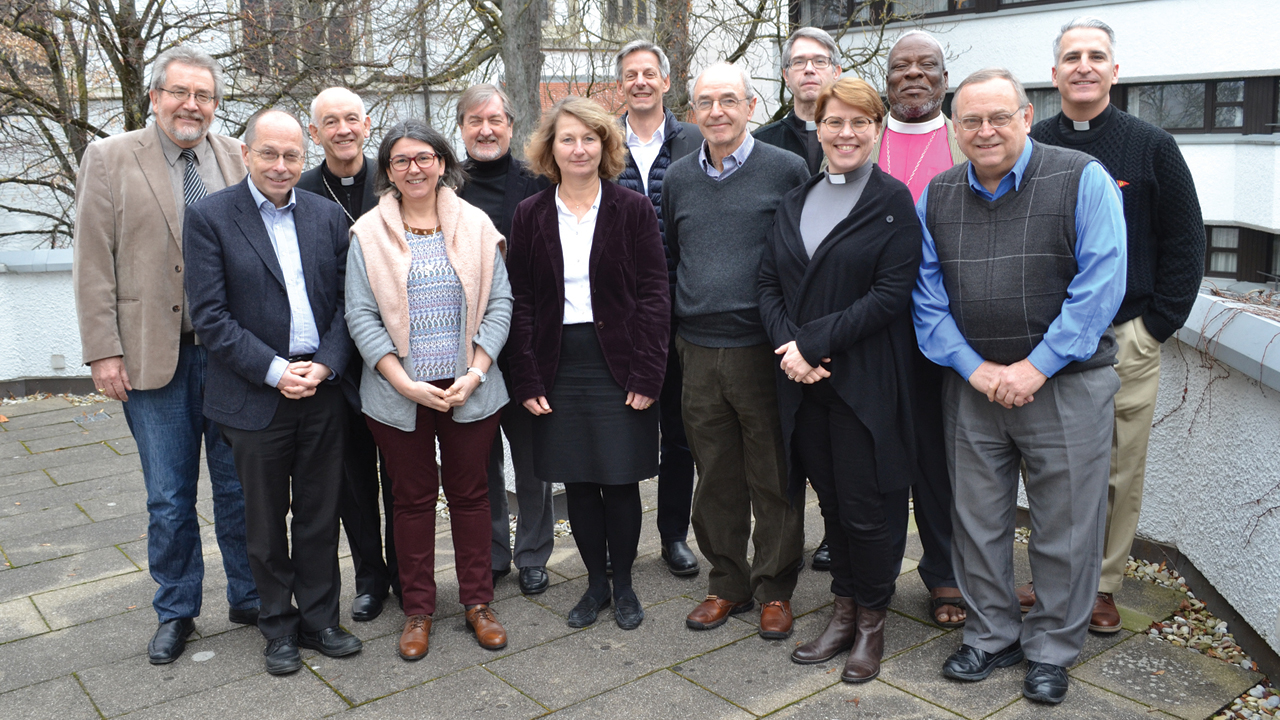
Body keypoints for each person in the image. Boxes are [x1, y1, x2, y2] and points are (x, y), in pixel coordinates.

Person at [913, 68, 1126, 705]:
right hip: (973, 388)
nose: (985, 131)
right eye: (970, 120)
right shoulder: (937, 194)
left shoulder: (1080, 177)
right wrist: (976, 369)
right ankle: (992, 632)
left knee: (1064, 527)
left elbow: (1101, 285)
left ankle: (1052, 648)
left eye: (998, 117)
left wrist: (1036, 366)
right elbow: (927, 298)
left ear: (1026, 117)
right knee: (977, 522)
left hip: (1065, 386)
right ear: (954, 128)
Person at [72, 45, 258, 665]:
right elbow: (93, 262)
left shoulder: (237, 155)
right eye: (180, 92)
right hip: (155, 358)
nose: (192, 105)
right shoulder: (109, 158)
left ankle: (249, 595)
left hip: (230, 356)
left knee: (238, 489)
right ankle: (177, 609)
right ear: (155, 97)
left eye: (204, 95)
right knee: (170, 497)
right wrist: (104, 352)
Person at [1021, 16, 1206, 632]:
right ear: (1053, 74)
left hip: (1125, 335)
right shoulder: (1031, 142)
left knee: (1118, 468)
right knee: (1049, 464)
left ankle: (1101, 585)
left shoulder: (1151, 146)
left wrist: (1155, 326)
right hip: (1043, 340)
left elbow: (1185, 243)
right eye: (1071, 56)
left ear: (1114, 70)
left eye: (1095, 55)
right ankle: (1051, 578)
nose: (1083, 66)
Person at [759, 77, 925, 683]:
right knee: (831, 506)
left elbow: (889, 295)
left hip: (863, 384)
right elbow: (768, 284)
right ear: (818, 128)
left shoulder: (893, 202)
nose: (845, 133)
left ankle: (872, 625)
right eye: (834, 122)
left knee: (866, 511)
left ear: (876, 130)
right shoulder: (795, 200)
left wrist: (812, 344)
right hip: (803, 386)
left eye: (859, 122)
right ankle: (843, 611)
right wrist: (789, 348)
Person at [184, 109, 361, 675]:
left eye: (290, 156)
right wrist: (275, 370)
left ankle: (319, 621)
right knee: (262, 523)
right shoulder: (210, 217)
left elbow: (345, 305)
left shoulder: (325, 216)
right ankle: (278, 628)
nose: (280, 166)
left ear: (302, 157)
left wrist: (328, 365)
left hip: (322, 390)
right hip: (255, 394)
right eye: (269, 153)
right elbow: (210, 318)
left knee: (318, 514)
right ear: (245, 152)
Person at [346, 119, 512, 661]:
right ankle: (418, 609)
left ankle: (477, 604)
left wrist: (477, 371)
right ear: (387, 171)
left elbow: (500, 306)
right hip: (399, 392)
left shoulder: (478, 225)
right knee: (411, 500)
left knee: (471, 496)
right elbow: (361, 317)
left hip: (470, 386)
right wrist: (404, 382)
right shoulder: (367, 234)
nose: (413, 169)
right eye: (400, 161)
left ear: (443, 161)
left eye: (423, 158)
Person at [506, 96, 670, 631]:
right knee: (576, 481)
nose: (579, 148)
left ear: (605, 145)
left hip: (620, 363)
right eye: (567, 138)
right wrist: (525, 375)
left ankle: (623, 585)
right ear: (551, 149)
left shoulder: (633, 208)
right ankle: (594, 585)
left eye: (590, 138)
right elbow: (522, 300)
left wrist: (649, 372)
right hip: (558, 364)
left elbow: (654, 295)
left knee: (620, 480)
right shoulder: (531, 214)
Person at [662, 62, 809, 640]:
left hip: (763, 348)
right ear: (692, 112)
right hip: (697, 348)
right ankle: (727, 582)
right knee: (715, 474)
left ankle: (775, 588)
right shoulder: (678, 176)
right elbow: (675, 251)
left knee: (773, 472)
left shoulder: (788, 168)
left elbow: (803, 256)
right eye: (705, 102)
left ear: (752, 105)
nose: (717, 111)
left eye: (729, 99)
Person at [874, 30, 966, 629]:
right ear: (886, 81)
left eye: (926, 66)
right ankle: (869, 577)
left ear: (944, 78)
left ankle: (946, 577)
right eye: (901, 66)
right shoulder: (860, 138)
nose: (913, 75)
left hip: (948, 331)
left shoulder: (970, 140)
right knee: (876, 456)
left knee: (939, 460)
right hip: (875, 331)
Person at [296, 86, 399, 622]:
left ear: (366, 124)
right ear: (315, 133)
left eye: (352, 119)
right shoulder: (303, 189)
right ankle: (370, 578)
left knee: (402, 475)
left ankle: (409, 573)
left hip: (404, 351)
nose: (343, 129)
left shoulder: (398, 174)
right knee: (352, 479)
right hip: (339, 357)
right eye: (330, 122)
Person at [454, 83, 554, 596]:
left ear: (511, 127)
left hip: (527, 340)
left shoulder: (539, 180)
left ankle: (534, 553)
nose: (485, 129)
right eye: (475, 121)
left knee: (532, 452)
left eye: (495, 120)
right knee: (480, 453)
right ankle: (492, 551)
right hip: (464, 344)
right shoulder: (445, 187)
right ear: (462, 128)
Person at [613, 40, 703, 577]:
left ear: (667, 82)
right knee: (621, 424)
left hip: (682, 306)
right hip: (620, 313)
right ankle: (613, 540)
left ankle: (674, 535)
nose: (641, 81)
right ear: (621, 86)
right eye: (631, 75)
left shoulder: (693, 140)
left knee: (680, 431)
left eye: (650, 73)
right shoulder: (602, 143)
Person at [754, 27, 842, 177]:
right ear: (785, 76)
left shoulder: (854, 137)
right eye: (799, 61)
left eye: (820, 61)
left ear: (836, 72)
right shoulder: (761, 143)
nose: (809, 69)